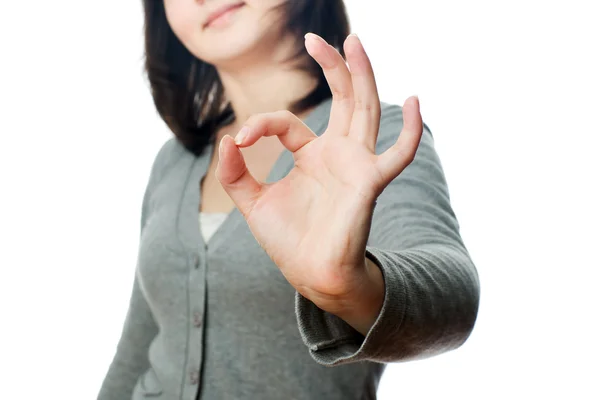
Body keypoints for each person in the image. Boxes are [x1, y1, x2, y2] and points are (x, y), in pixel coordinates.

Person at [97, 0, 480, 399]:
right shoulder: (173, 162)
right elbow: (135, 352)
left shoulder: (370, 138)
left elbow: (453, 298)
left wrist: (350, 286)